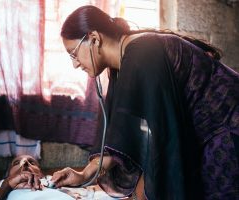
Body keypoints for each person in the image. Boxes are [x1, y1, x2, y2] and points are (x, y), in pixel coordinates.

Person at [51, 5, 239, 200]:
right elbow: (123, 137)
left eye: (74, 53)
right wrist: (84, 174)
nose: (74, 64)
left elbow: (155, 138)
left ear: (94, 38)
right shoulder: (124, 64)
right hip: (210, 136)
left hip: (229, 130)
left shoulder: (142, 54)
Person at [0, 155, 74, 200]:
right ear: (8, 174)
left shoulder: (58, 185)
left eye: (32, 162)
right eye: (16, 162)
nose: (25, 164)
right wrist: (6, 187)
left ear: (41, 173)